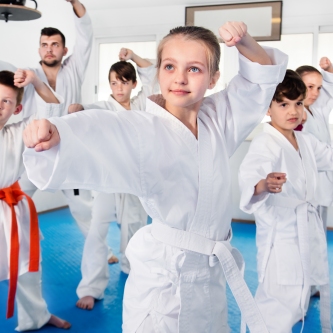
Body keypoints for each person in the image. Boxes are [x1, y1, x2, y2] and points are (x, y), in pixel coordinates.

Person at [22, 22, 287, 332]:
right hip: (164, 283)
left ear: (214, 78)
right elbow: (100, 129)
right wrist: (56, 134)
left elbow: (261, 77)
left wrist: (243, 41)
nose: (179, 78)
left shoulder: (220, 118)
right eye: (170, 66)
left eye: (195, 69)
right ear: (158, 71)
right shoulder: (142, 129)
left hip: (210, 281)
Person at [238, 70, 332, 333]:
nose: (293, 111)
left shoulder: (305, 140)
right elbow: (250, 178)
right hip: (281, 236)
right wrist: (265, 184)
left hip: (306, 230)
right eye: (283, 104)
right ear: (268, 108)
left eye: (298, 103)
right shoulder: (265, 143)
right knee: (278, 304)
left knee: (298, 300)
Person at [69, 47, 157, 310]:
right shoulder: (104, 106)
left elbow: (152, 74)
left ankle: (133, 270)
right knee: (98, 227)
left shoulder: (143, 103)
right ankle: (91, 287)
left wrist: (132, 56)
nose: (118, 87)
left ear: (133, 84)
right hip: (107, 176)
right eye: (113, 82)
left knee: (135, 226)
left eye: (123, 82)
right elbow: (86, 110)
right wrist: (78, 107)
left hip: (135, 175)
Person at [18, 0, 94, 243]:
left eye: (55, 45)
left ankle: (101, 251)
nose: (49, 49)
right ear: (39, 49)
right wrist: (19, 79)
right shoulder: (29, 75)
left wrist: (74, 3)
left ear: (65, 49)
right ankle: (20, 247)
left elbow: (86, 34)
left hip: (67, 149)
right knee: (15, 200)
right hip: (33, 151)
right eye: (44, 45)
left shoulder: (74, 69)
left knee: (83, 208)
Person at [0, 70, 70, 331]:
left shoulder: (18, 132)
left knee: (27, 270)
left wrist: (35, 81)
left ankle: (36, 317)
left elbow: (52, 110)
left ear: (17, 109)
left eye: (6, 101)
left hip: (12, 209)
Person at [296, 58, 333, 231]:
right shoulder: (294, 114)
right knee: (305, 238)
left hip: (323, 184)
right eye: (310, 87)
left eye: (318, 87)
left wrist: (329, 69)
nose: (316, 92)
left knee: (318, 238)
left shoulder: (317, 110)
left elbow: (330, 91)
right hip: (305, 186)